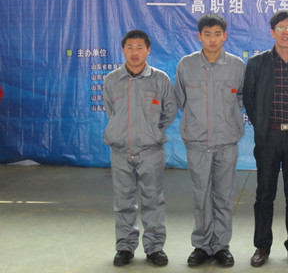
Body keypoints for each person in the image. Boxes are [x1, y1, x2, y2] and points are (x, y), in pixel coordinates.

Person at [243, 10, 288, 267]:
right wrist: (262, 126)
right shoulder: (257, 63)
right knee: (264, 193)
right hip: (268, 138)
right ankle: (262, 246)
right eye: (280, 28)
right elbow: (249, 98)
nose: (285, 32)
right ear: (272, 32)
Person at [174, 14, 246, 267]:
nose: (212, 39)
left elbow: (241, 98)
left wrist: (228, 121)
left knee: (224, 196)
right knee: (201, 195)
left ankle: (221, 246)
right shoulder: (186, 65)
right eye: (207, 34)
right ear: (199, 36)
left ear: (225, 36)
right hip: (197, 142)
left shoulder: (237, 66)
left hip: (226, 142)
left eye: (217, 34)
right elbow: (180, 100)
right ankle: (202, 246)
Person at [103, 30, 177, 267]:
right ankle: (125, 247)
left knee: (153, 200)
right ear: (123, 50)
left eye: (139, 47)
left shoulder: (160, 80)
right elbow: (111, 112)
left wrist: (152, 131)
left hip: (150, 151)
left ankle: (154, 248)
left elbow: (169, 111)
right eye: (130, 47)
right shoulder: (112, 80)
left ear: (148, 50)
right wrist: (123, 132)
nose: (134, 53)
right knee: (123, 201)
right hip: (121, 151)